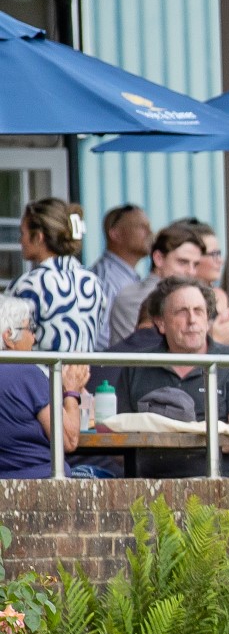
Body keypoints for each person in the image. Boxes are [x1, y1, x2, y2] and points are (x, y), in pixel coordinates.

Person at [110, 276, 229, 478]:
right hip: (150, 484)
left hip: (220, 484)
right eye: (182, 312)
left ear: (208, 320)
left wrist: (172, 434)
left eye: (199, 311)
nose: (192, 320)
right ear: (161, 323)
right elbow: (117, 444)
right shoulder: (137, 365)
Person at [0, 296, 88, 478]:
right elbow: (68, 440)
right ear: (8, 336)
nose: (33, 338)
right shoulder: (26, 373)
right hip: (41, 480)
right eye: (29, 329)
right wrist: (71, 391)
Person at [8, 198, 105, 354]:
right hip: (83, 370)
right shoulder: (93, 282)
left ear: (38, 237)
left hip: (41, 370)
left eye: (22, 233)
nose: (20, 240)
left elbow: (8, 339)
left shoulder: (29, 284)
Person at [104, 221, 205, 346]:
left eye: (195, 265)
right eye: (183, 262)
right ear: (159, 259)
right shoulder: (138, 298)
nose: (191, 271)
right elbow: (144, 347)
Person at [90, 203, 151, 349]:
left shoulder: (124, 276)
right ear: (116, 234)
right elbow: (98, 335)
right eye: (141, 227)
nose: (150, 232)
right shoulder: (107, 279)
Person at [186, 221, 229, 347]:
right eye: (213, 254)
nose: (220, 261)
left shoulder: (220, 295)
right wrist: (214, 339)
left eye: (219, 254)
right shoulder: (180, 298)